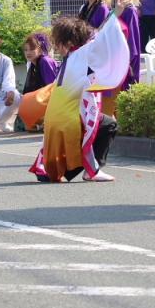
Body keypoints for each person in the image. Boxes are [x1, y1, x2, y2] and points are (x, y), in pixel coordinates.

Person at [27, 14, 129, 184]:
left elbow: (98, 36)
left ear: (68, 43)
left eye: (58, 43)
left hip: (54, 120)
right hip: (71, 118)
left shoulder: (69, 60)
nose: (57, 48)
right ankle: (92, 170)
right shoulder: (81, 55)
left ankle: (49, 169)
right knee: (109, 125)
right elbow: (102, 38)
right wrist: (116, 13)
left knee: (96, 126)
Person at [104, 0, 143, 118]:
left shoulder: (130, 11)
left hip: (125, 59)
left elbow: (132, 39)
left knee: (124, 94)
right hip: (113, 58)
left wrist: (129, 62)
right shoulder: (115, 11)